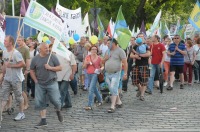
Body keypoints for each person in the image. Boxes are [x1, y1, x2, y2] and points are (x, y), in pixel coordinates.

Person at [30, 43, 63, 128]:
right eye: (45, 48)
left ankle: (58, 109)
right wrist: (35, 80)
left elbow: (60, 68)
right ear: (40, 49)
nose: (47, 49)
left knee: (56, 100)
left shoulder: (52, 56)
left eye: (48, 48)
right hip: (40, 83)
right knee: (40, 102)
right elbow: (32, 70)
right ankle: (43, 120)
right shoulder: (35, 59)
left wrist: (50, 68)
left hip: (52, 82)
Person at [0, 35, 25, 121]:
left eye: (6, 40)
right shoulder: (4, 52)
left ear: (10, 42)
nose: (4, 42)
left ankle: (21, 113)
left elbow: (23, 64)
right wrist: (2, 75)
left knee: (18, 97)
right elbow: (4, 65)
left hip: (16, 79)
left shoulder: (16, 53)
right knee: (3, 96)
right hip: (7, 79)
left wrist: (12, 65)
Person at [103, 38, 127, 113]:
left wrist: (125, 73)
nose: (107, 45)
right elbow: (102, 61)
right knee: (112, 89)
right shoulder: (107, 51)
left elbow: (125, 62)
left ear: (113, 43)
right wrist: (105, 59)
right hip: (107, 73)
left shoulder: (120, 51)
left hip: (116, 73)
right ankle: (119, 102)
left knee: (113, 88)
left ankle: (112, 106)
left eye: (108, 43)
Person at [56, 41, 77, 109]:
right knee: (63, 90)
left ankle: (60, 105)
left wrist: (73, 74)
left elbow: (74, 65)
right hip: (58, 75)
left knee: (62, 90)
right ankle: (68, 103)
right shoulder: (55, 53)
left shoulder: (69, 53)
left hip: (67, 74)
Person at [83, 45, 103, 110]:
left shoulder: (99, 58)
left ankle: (89, 105)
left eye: (95, 49)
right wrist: (86, 63)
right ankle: (100, 99)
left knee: (91, 88)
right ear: (90, 50)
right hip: (88, 74)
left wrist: (101, 69)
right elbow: (84, 67)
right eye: (93, 49)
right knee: (94, 88)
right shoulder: (87, 57)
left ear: (97, 51)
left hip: (95, 74)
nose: (94, 50)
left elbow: (102, 66)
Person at [17, 36, 30, 110]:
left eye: (20, 40)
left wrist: (27, 69)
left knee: (23, 89)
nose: (18, 41)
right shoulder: (16, 49)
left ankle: (26, 104)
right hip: (17, 72)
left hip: (23, 71)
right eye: (17, 40)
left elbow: (27, 59)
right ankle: (22, 103)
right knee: (19, 89)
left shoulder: (26, 49)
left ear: (23, 41)